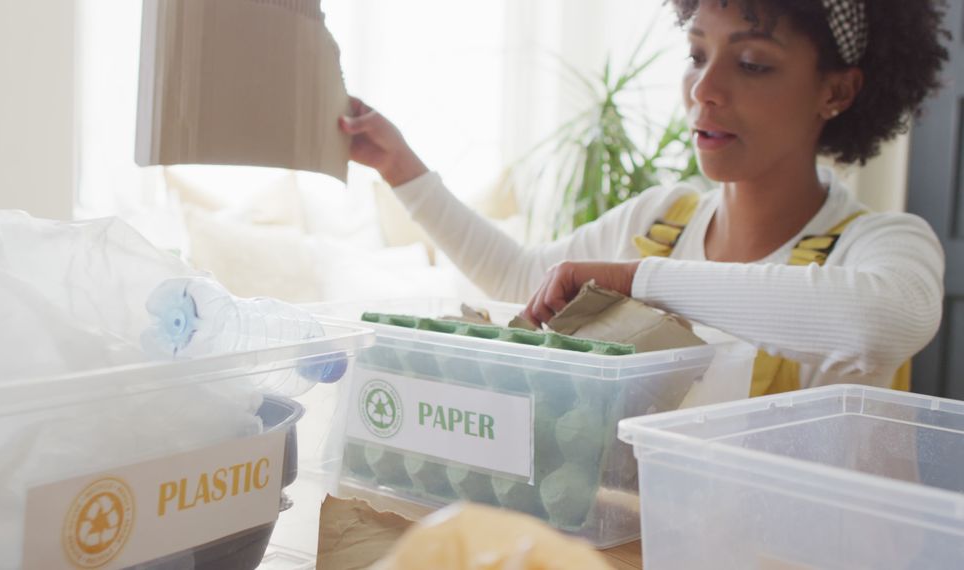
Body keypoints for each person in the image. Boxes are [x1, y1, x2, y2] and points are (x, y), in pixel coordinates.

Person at [338, 0, 949, 394]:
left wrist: (638, 280)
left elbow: (880, 321)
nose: (705, 89)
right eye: (697, 55)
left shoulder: (882, 245)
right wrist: (400, 167)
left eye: (753, 64)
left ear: (836, 91)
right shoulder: (662, 218)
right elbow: (521, 276)